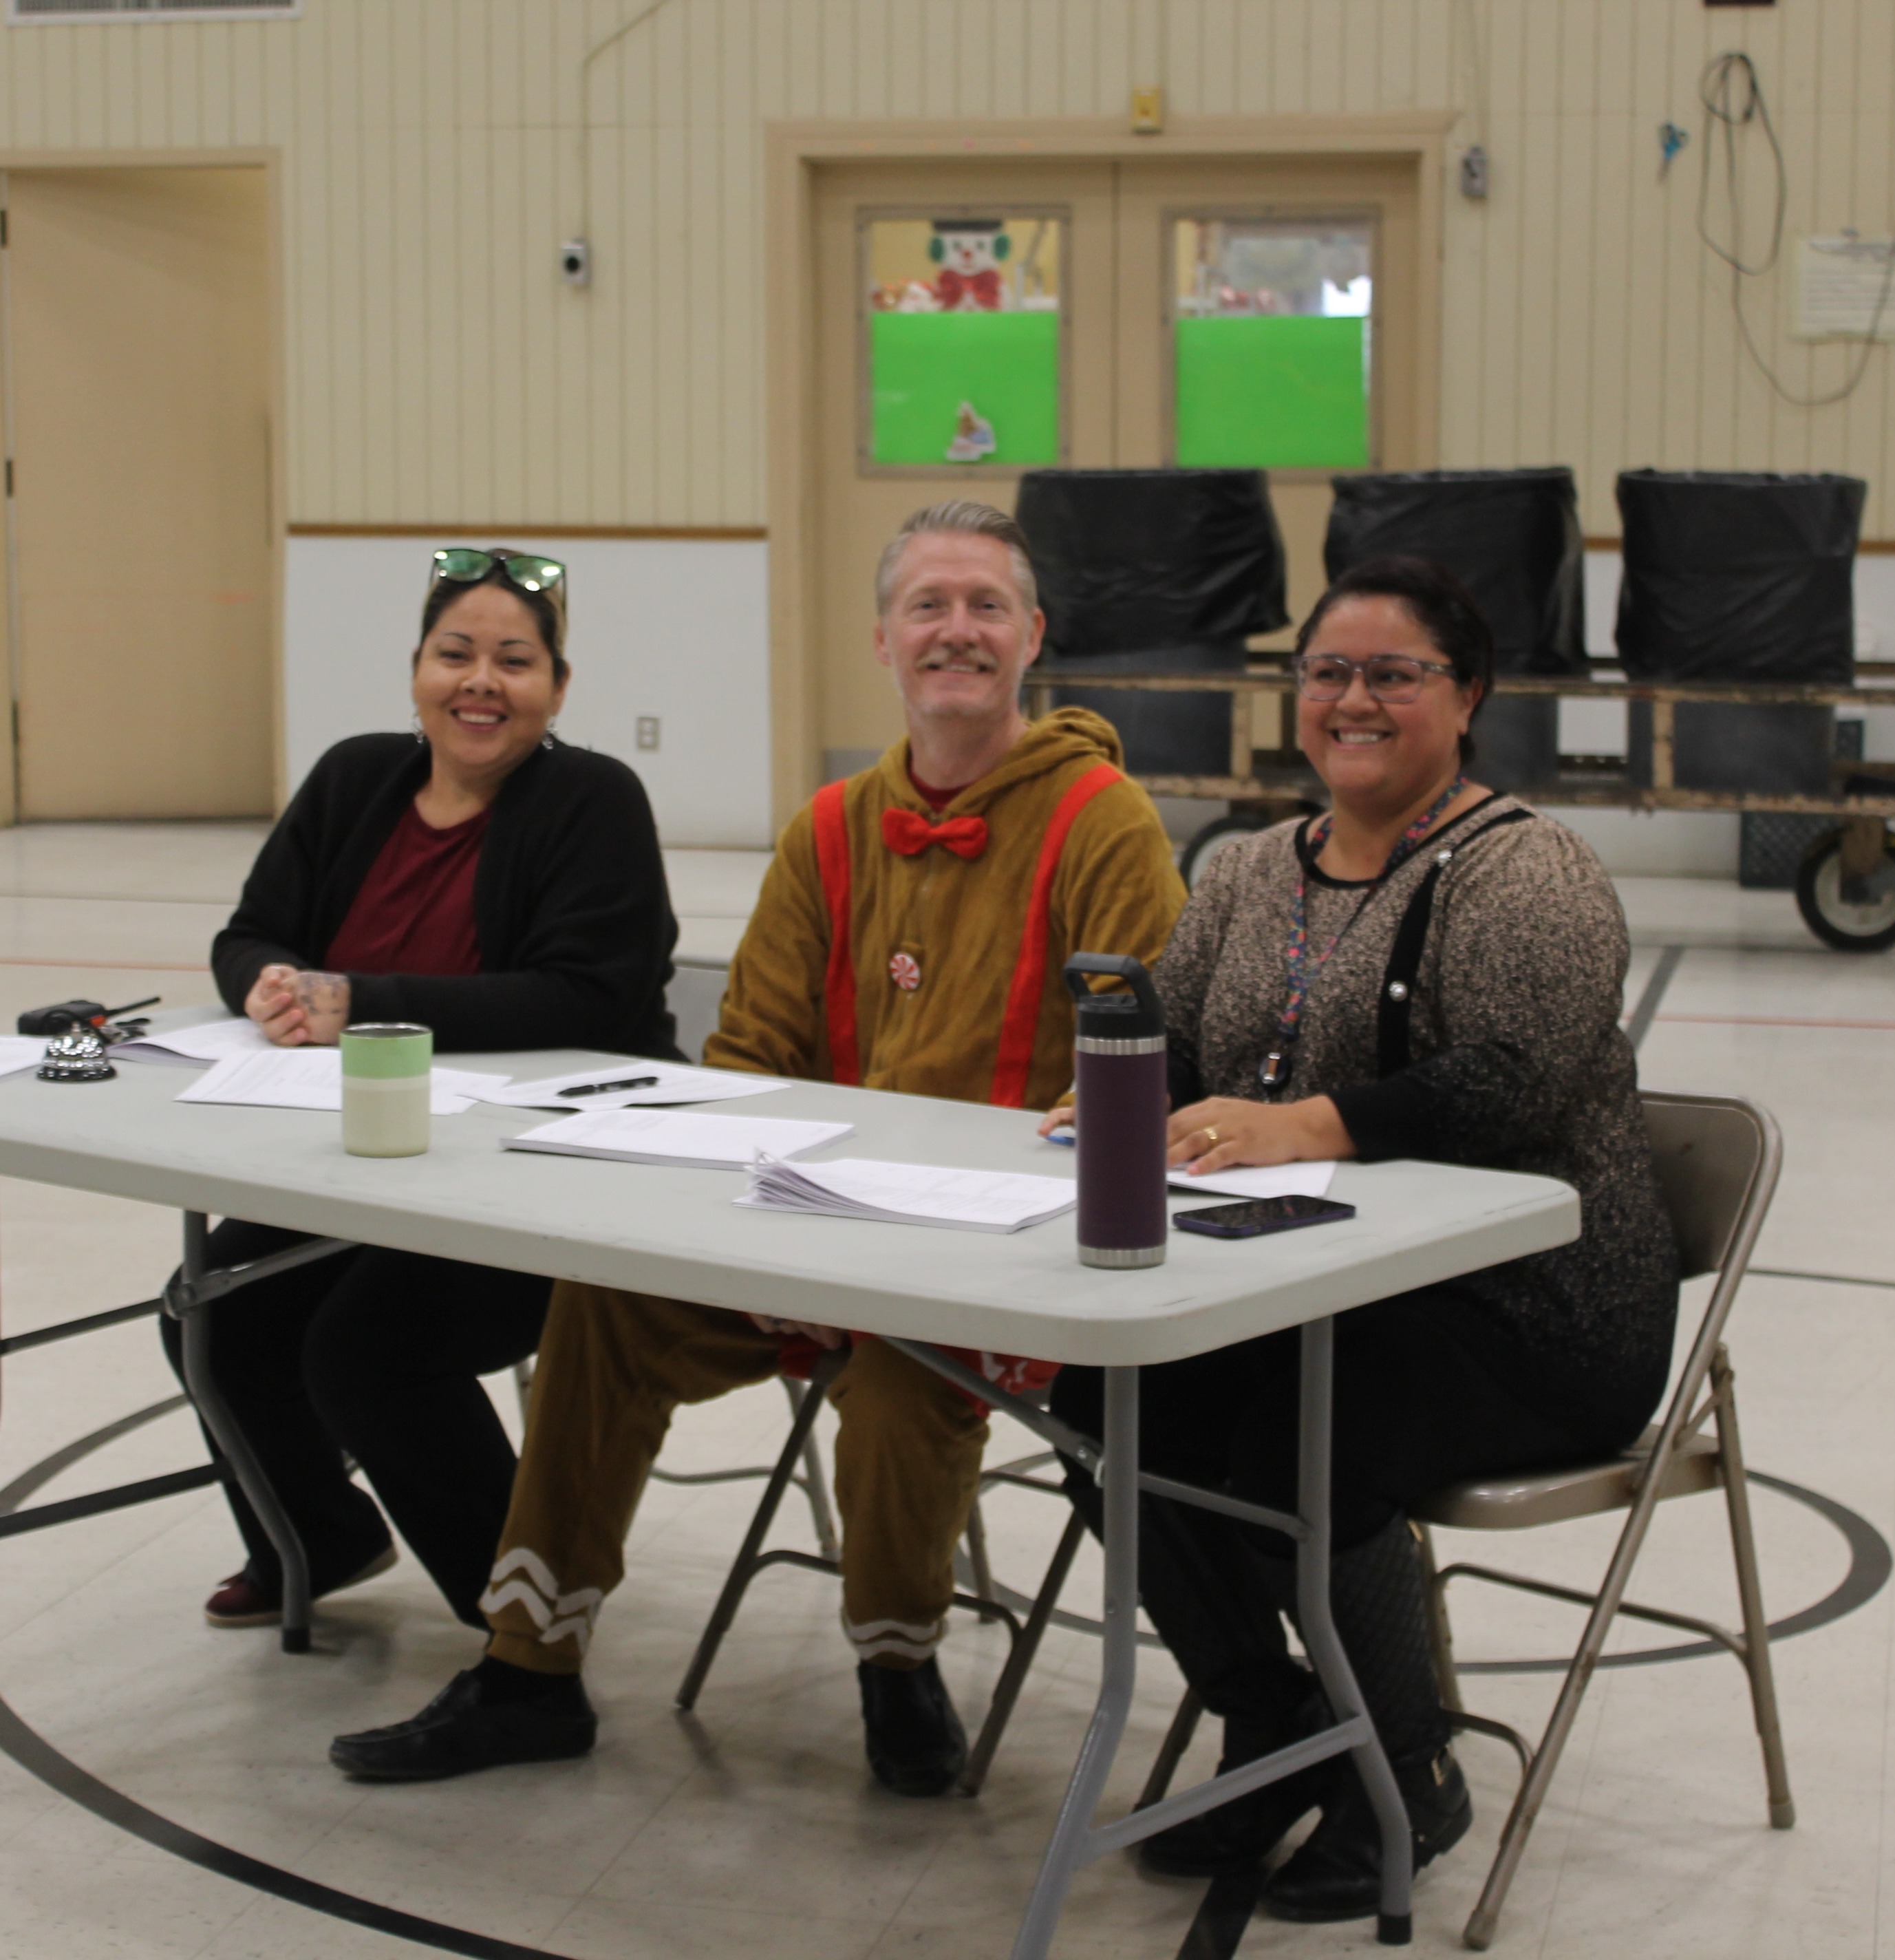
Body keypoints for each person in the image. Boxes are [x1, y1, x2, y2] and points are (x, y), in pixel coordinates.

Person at [328, 500, 1186, 1796]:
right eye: (928, 607)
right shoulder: (829, 828)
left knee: (907, 1389)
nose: (956, 631)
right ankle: (528, 1667)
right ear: (884, 640)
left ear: (1033, 638)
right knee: (605, 1302)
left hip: (992, 1268)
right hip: (800, 1231)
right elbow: (748, 1061)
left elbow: (1135, 1064)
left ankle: (897, 1667)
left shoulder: (1104, 821)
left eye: (985, 606)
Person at [1043, 557, 1679, 1924]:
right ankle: (1269, 1720)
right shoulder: (1247, 864)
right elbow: (1189, 1041)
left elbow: (1516, 1077)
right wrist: (1121, 1085)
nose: (1353, 698)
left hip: (1533, 1309)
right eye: (1328, 670)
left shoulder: (1528, 869)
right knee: (1104, 1404)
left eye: (1395, 673)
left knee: (1300, 1444)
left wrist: (1308, 1123)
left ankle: (1405, 1766)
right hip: (1313, 1281)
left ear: (1467, 697)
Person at [164, 546, 683, 1633]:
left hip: (540, 1174)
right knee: (214, 1312)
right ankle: (315, 1535)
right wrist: (264, 985)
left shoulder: (592, 800)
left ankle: (522, 1633)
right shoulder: (359, 778)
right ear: (416, 671)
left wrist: (366, 1003)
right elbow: (253, 928)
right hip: (370, 1158)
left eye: (515, 659)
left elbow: (586, 999)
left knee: (363, 1350)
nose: (481, 683)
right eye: (456, 654)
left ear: (558, 686)